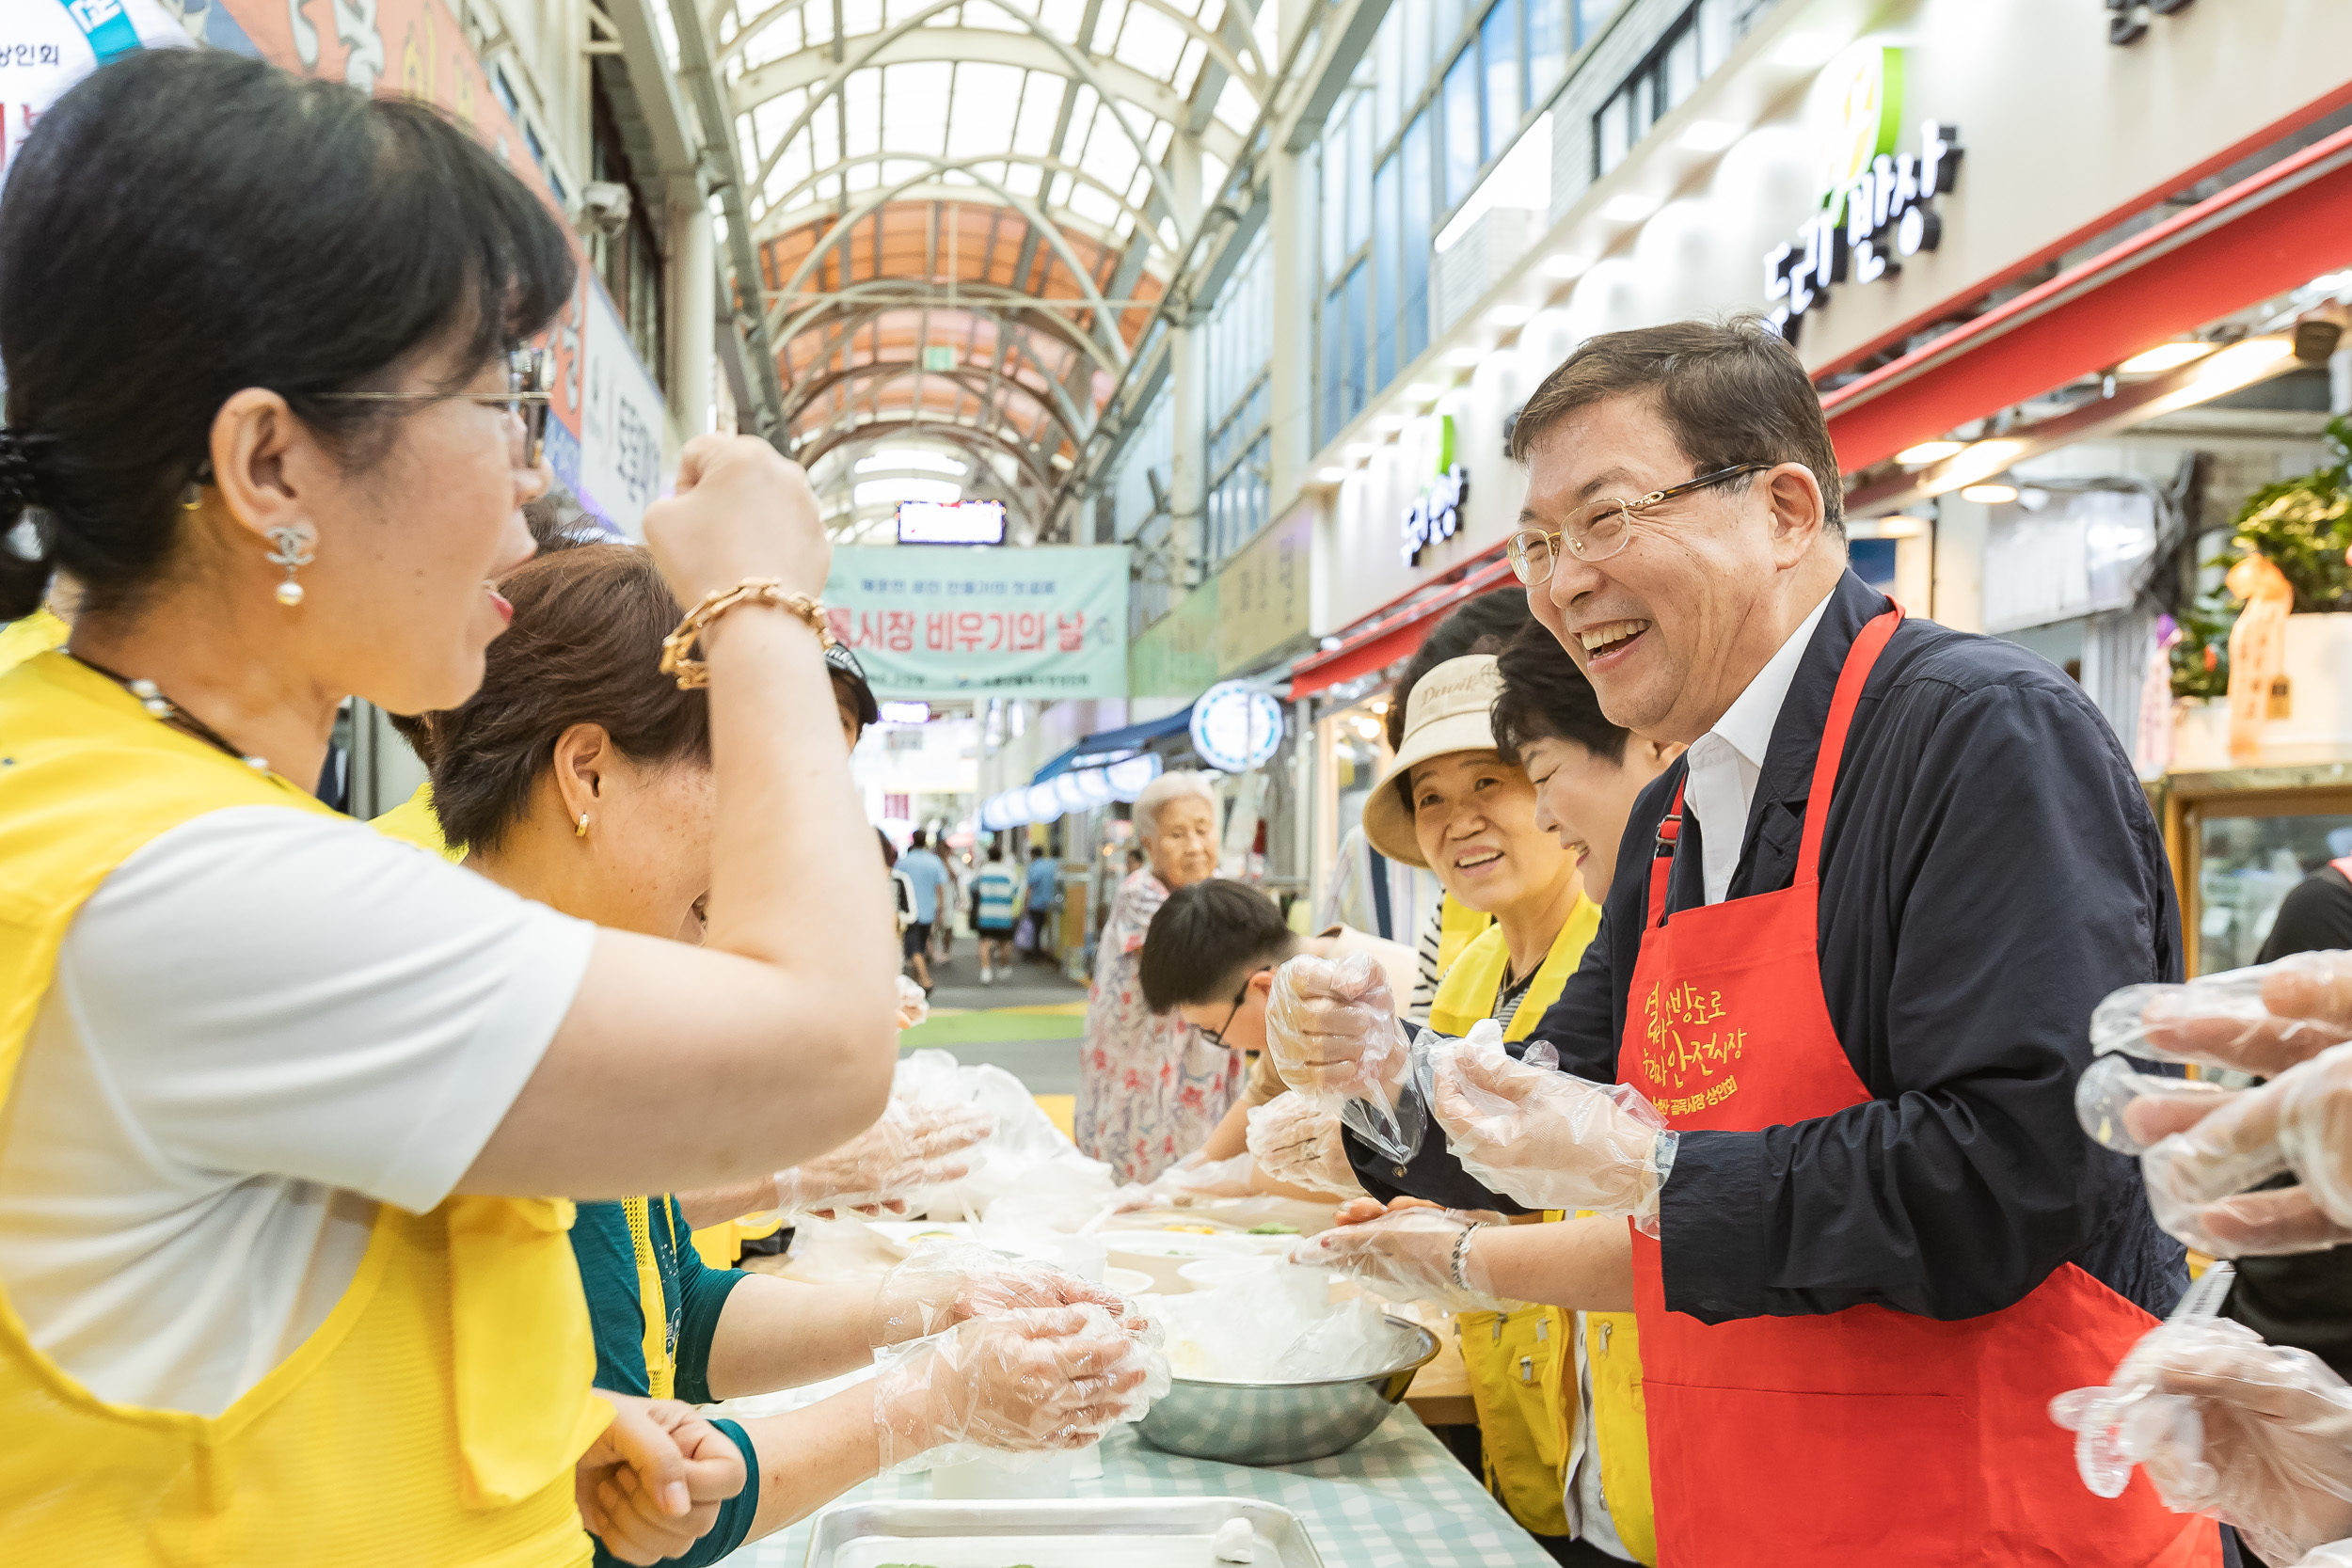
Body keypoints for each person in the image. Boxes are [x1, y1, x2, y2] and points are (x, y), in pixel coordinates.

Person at [0, 50, 905, 1562]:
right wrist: (761, 604)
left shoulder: (124, 781)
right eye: (496, 400)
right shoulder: (195, 888)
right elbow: (827, 1050)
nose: (529, 481)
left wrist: (553, 1413)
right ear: (270, 461)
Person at [1266, 318, 2212, 1565]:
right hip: (1757, 1512)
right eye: (1540, 545)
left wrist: (1646, 1167)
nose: (1561, 583)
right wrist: (1372, 1083)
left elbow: (2016, 1172)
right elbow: (1550, 1092)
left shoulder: (1977, 732)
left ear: (1780, 503)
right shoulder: (1677, 817)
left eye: (1604, 518)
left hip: (2000, 1514)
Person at [409, 542, 1162, 1564]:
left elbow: (671, 1308)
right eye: (753, 781)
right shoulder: (465, 1021)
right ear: (587, 772)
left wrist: (928, 1303)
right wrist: (929, 1398)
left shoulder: (588, 999)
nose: (765, 854)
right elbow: (621, 1516)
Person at [1133, 877, 1412, 1181]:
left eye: (1211, 1029)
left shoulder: (1369, 999)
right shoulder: (1294, 995)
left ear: (1262, 988)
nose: (1221, 1041)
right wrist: (1180, 1177)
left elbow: (1366, 1167)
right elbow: (1260, 1095)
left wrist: (1229, 1179)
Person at [1076, 769, 1236, 1183]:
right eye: (1177, 834)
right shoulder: (1141, 893)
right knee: (1140, 1167)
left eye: (1203, 830)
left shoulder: (1218, 889)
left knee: (1202, 1167)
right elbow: (1205, 954)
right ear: (1148, 845)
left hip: (1201, 1054)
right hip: (1143, 1058)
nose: (1195, 846)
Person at [898, 828, 952, 992]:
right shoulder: (934, 861)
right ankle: (916, 983)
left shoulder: (904, 862)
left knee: (913, 947)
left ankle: (925, 981)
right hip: (928, 910)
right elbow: (940, 887)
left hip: (909, 912)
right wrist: (940, 908)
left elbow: (896, 885)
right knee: (919, 946)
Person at [972, 841, 1021, 983]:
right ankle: (1003, 966)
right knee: (1005, 942)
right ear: (1001, 857)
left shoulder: (983, 871)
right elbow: (1015, 891)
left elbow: (974, 888)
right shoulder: (1008, 872)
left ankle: (986, 971)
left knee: (984, 943)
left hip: (986, 913)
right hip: (1004, 914)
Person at [1024, 844, 1060, 959]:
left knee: (1034, 928)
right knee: (1043, 928)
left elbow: (1030, 886)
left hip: (1035, 902)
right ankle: (1042, 951)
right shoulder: (1050, 865)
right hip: (1049, 902)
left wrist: (1025, 904)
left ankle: (1035, 952)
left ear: (1032, 855)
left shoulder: (1034, 867)